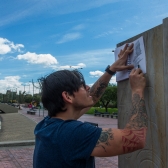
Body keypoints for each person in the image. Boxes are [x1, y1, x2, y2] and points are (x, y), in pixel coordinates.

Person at [33, 43, 148, 168]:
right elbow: (135, 139)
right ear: (68, 96)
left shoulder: (46, 125)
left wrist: (111, 70)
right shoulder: (73, 133)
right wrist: (137, 90)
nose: (88, 88)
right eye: (82, 86)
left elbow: (93, 96)